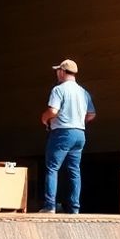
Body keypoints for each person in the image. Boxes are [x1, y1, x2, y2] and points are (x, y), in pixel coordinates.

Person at [40, 59, 96, 214]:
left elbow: (53, 111)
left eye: (58, 70)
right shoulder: (83, 92)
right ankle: (74, 208)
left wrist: (44, 119)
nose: (57, 73)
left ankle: (50, 205)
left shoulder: (59, 90)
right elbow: (91, 114)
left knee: (52, 168)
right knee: (74, 170)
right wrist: (77, 119)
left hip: (62, 133)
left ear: (62, 72)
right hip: (80, 133)